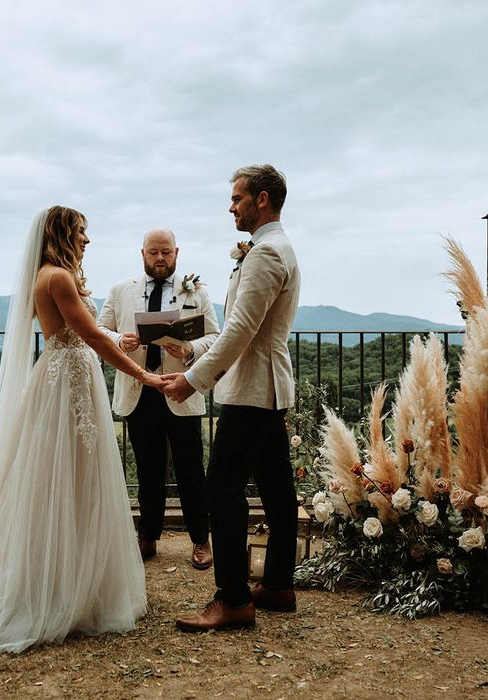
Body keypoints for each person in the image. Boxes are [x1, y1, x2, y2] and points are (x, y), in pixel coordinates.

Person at [0, 206, 162, 654]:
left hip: (65, 379)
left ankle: (72, 582)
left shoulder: (47, 275)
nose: (88, 240)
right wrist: (143, 376)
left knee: (65, 477)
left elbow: (76, 330)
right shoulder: (58, 278)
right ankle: (59, 591)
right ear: (63, 232)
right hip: (67, 385)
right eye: (83, 232)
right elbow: (92, 336)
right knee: (64, 478)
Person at [164, 164, 301, 631]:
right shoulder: (275, 248)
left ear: (262, 199)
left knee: (221, 489)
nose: (231, 206)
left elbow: (242, 330)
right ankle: (279, 584)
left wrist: (193, 379)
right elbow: (245, 329)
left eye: (238, 198)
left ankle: (234, 599)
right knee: (279, 490)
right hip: (267, 387)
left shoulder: (265, 254)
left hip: (251, 389)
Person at [98, 228, 219, 567]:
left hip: (180, 388)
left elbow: (214, 336)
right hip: (139, 391)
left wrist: (187, 347)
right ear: (143, 254)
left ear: (177, 253)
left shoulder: (197, 291)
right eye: (154, 253)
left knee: (191, 469)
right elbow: (99, 330)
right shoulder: (121, 291)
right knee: (149, 471)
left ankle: (200, 541)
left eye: (166, 252)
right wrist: (119, 339)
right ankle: (147, 537)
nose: (161, 259)